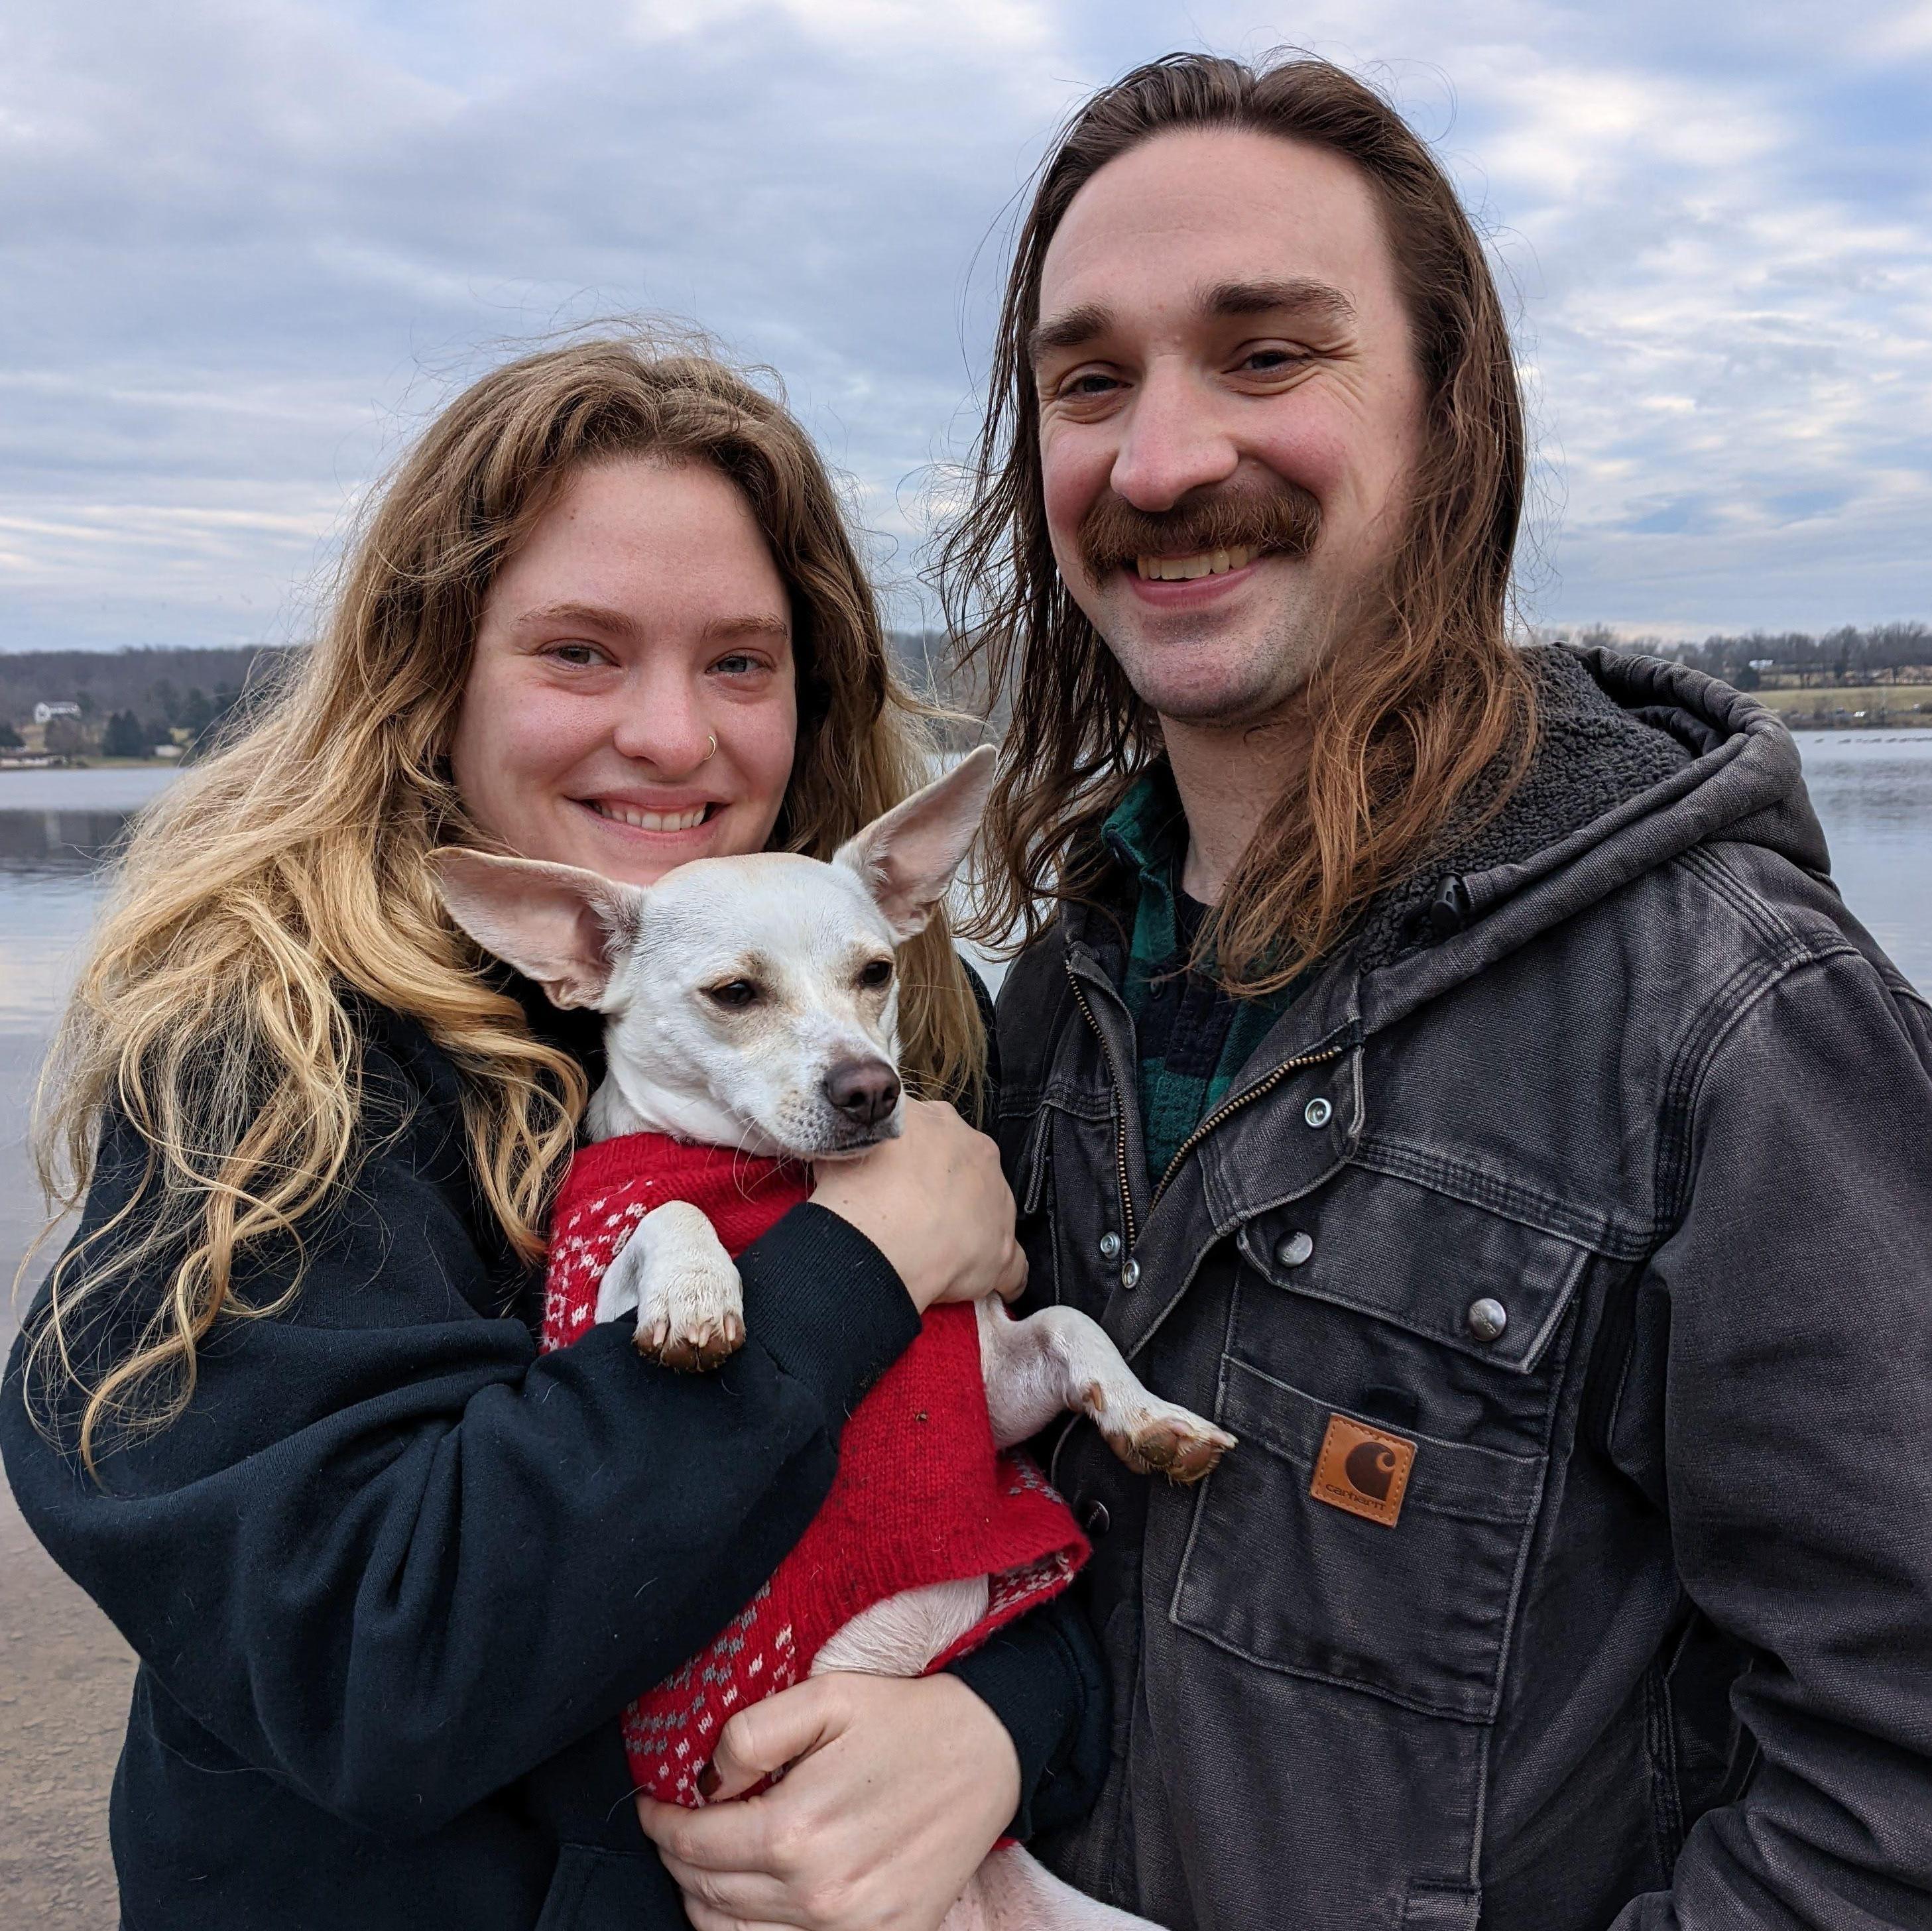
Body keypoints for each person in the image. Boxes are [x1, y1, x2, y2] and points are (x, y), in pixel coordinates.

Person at [933, 50, 1932, 1931]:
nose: (1157, 462)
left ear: (1451, 415)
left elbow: (1892, 1776)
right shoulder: (1051, 1015)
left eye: (1265, 355)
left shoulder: (1733, 1020)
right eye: (1088, 383)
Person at [1, 339, 1109, 1931]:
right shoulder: (256, 1075)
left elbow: (1049, 1494)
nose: (670, 736)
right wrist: (850, 1265)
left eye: (740, 661)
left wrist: (998, 1728)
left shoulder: (886, 1039)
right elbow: (378, 1662)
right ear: (429, 673)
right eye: (580, 652)